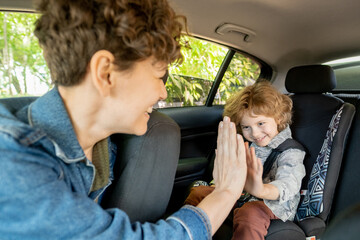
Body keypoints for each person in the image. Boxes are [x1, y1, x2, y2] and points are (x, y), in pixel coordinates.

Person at [0, 0, 247, 239]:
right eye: (158, 75)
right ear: (106, 72)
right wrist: (226, 192)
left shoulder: (102, 146)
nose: (163, 92)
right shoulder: (14, 168)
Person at [184, 81, 306, 239]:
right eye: (246, 127)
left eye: (261, 123)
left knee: (249, 212)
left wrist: (260, 190)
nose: (255, 133)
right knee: (199, 193)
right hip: (243, 194)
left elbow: (288, 185)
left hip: (274, 204)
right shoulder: (250, 144)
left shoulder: (291, 151)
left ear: (278, 118)